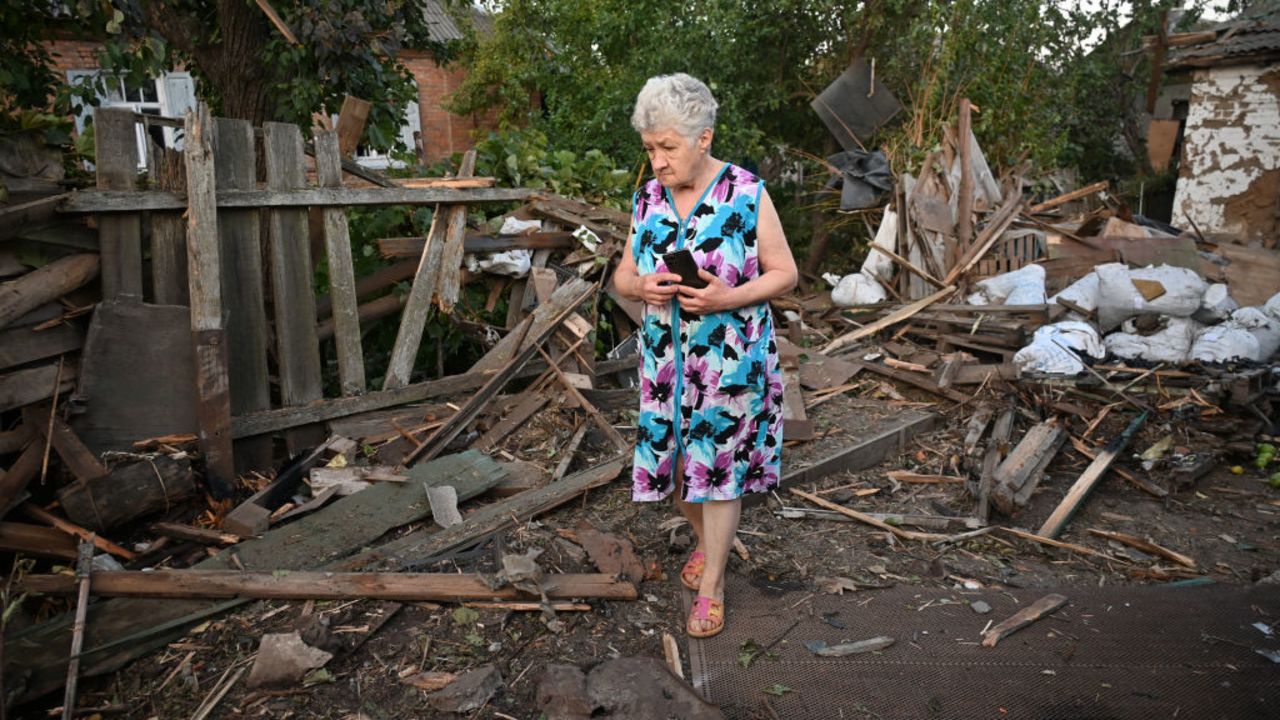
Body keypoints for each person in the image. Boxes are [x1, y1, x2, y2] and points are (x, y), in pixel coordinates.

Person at [611, 73, 798, 638]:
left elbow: (786, 273)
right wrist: (640, 286)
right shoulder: (647, 197)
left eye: (667, 147)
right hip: (665, 365)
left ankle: (712, 583)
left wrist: (728, 296)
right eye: (650, 148)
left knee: (717, 475)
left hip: (730, 362)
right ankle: (711, 543)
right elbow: (623, 274)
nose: (658, 161)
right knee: (671, 475)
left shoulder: (747, 192)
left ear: (704, 138)